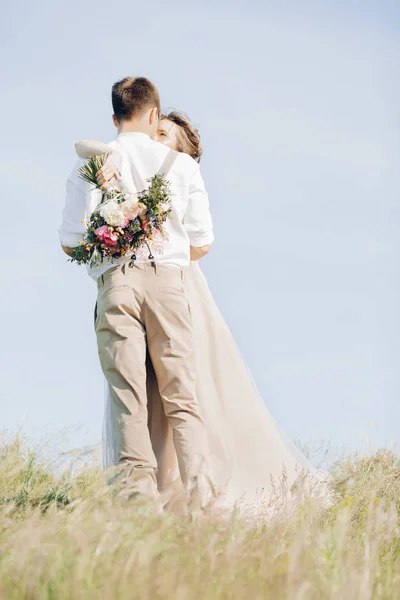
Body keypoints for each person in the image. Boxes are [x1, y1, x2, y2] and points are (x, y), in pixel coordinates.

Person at [75, 111, 329, 513]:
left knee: (184, 389)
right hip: (142, 281)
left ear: (180, 151)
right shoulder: (122, 172)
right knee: (142, 392)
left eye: (163, 135)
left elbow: (199, 241)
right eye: (154, 131)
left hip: (179, 285)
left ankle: (195, 489)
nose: (153, 139)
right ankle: (158, 490)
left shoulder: (178, 176)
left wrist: (160, 246)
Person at [59, 77, 215, 510]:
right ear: (153, 115)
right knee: (181, 394)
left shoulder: (87, 167)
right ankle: (200, 494)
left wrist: (109, 241)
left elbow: (70, 241)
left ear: (114, 118)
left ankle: (138, 500)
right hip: (168, 283)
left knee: (128, 394)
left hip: (116, 285)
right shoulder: (182, 167)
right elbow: (202, 241)